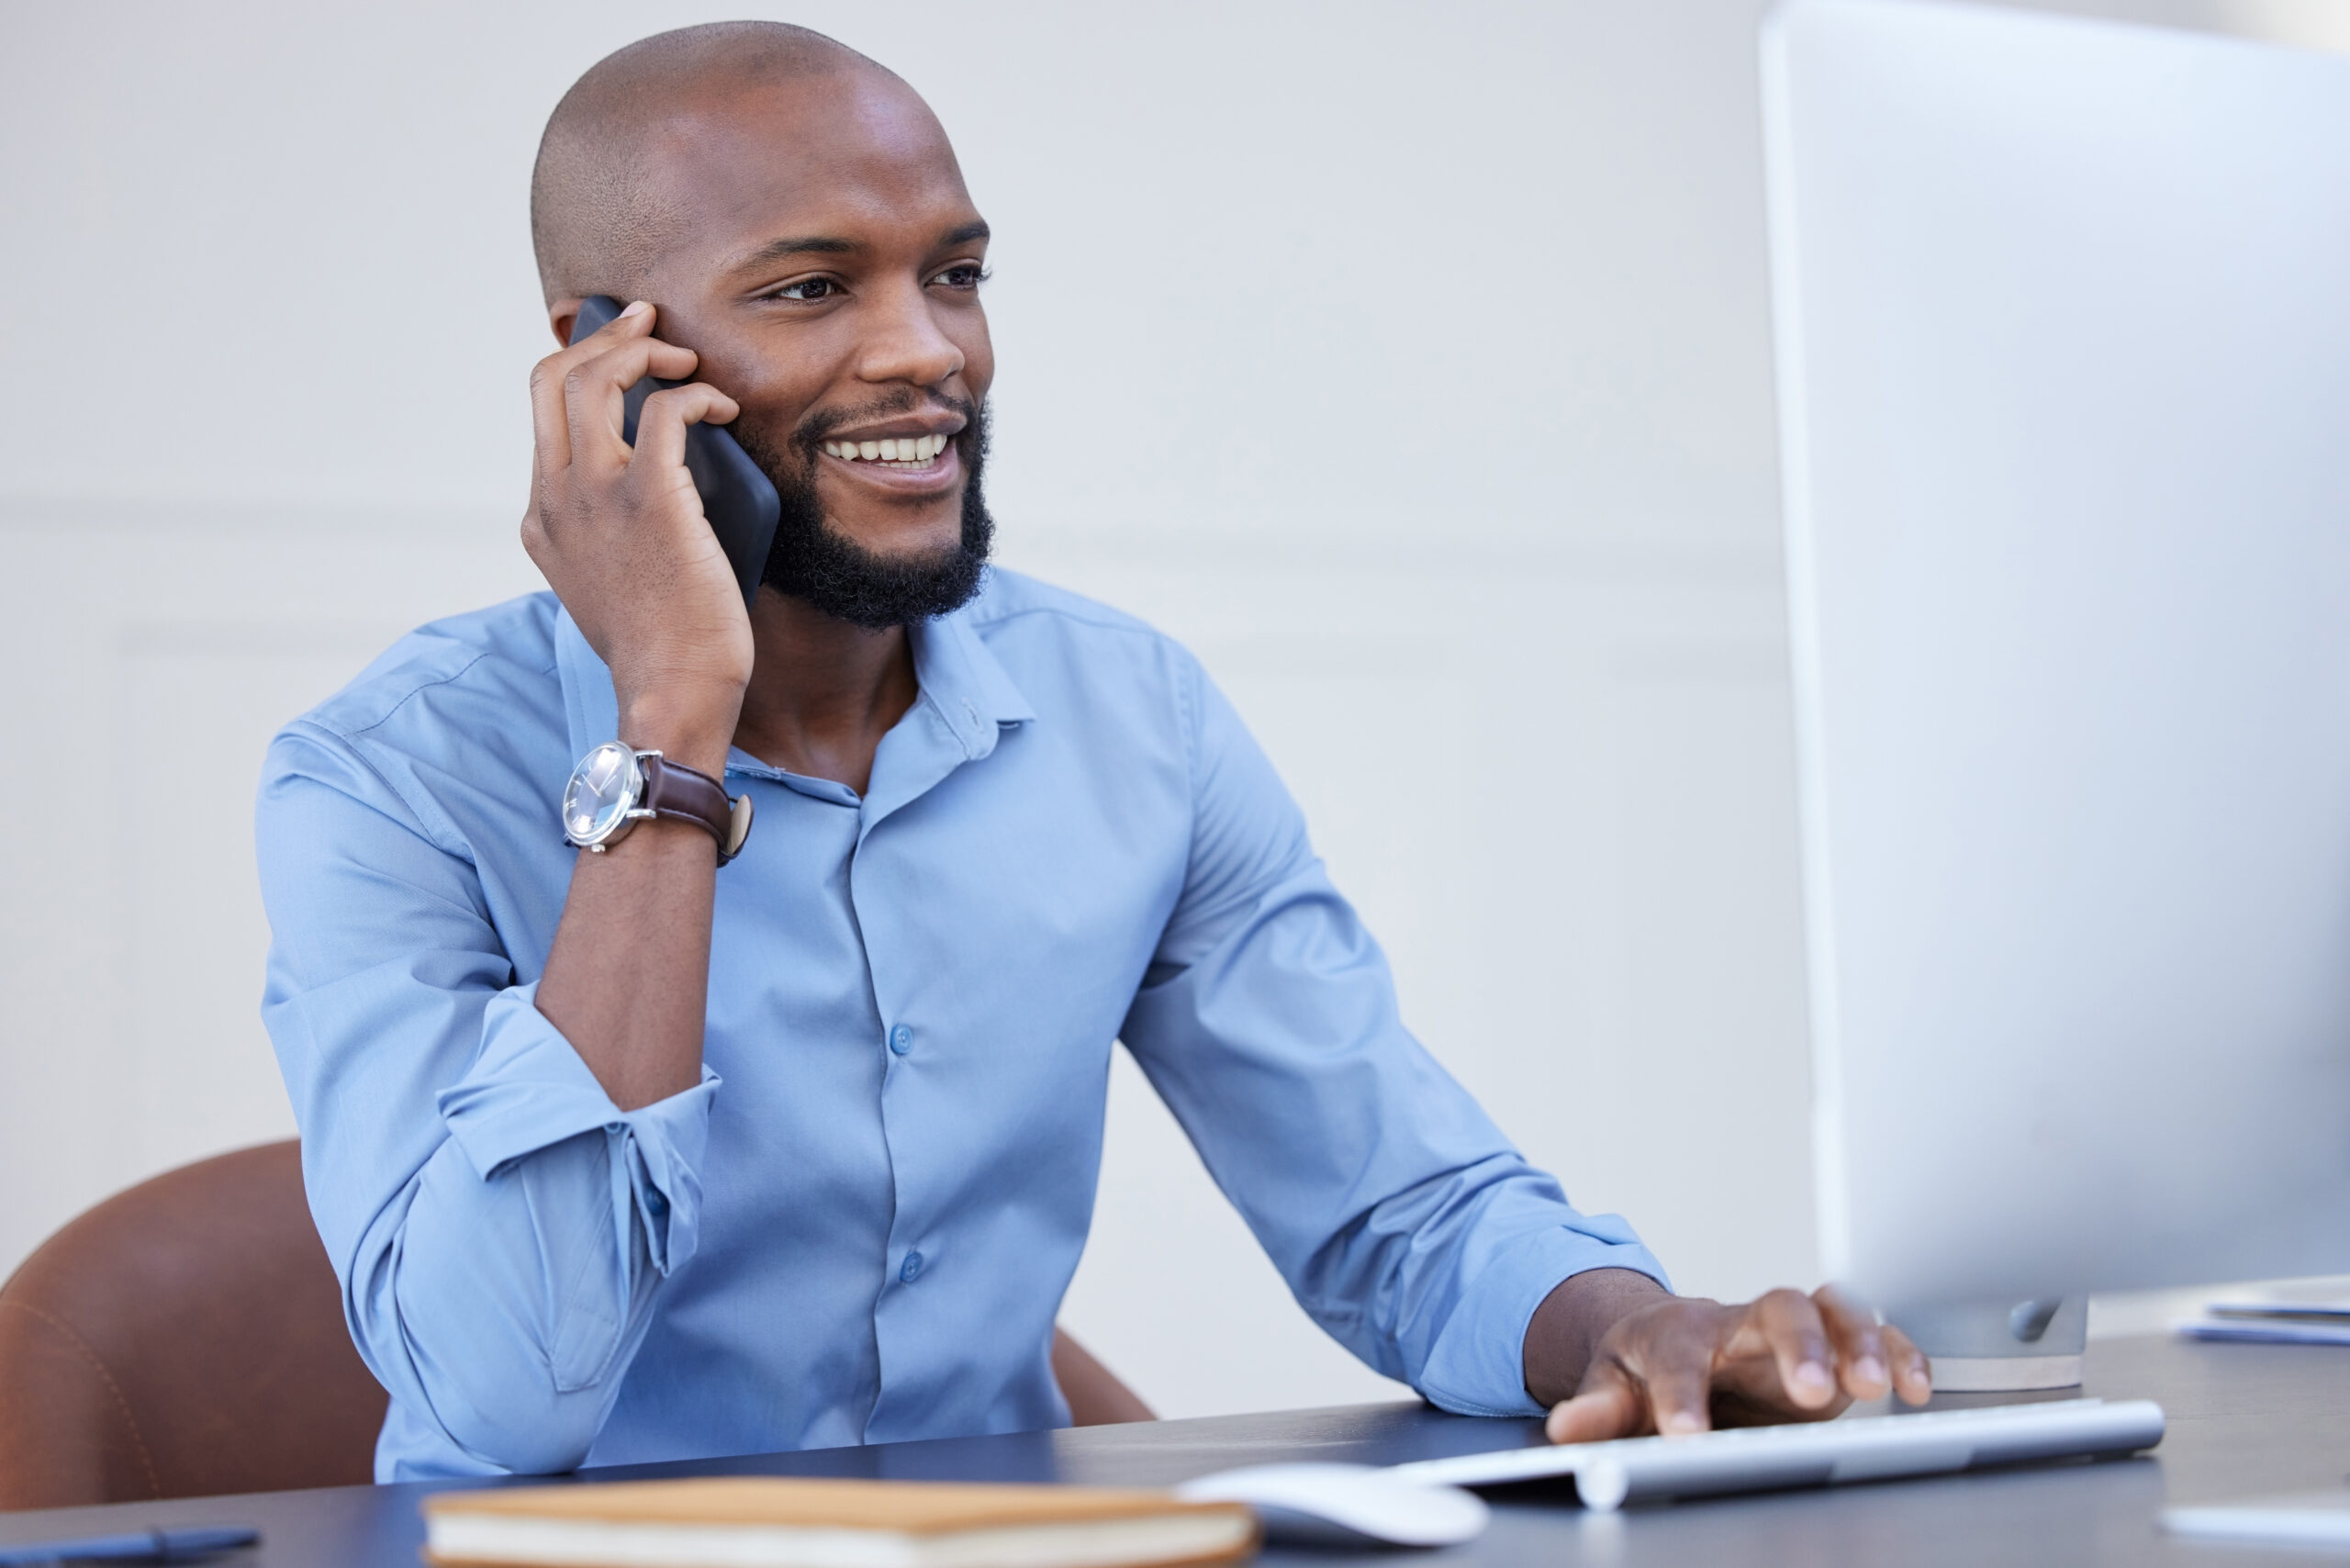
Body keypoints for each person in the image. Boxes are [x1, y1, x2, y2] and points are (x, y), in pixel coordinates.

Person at [255, 21, 1929, 1482]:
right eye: (814, 287)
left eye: (957, 274)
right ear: (604, 358)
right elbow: (506, 1388)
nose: (928, 350)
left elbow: (1396, 1207)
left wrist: (1640, 1330)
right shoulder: (387, 782)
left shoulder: (1135, 720)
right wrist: (671, 726)